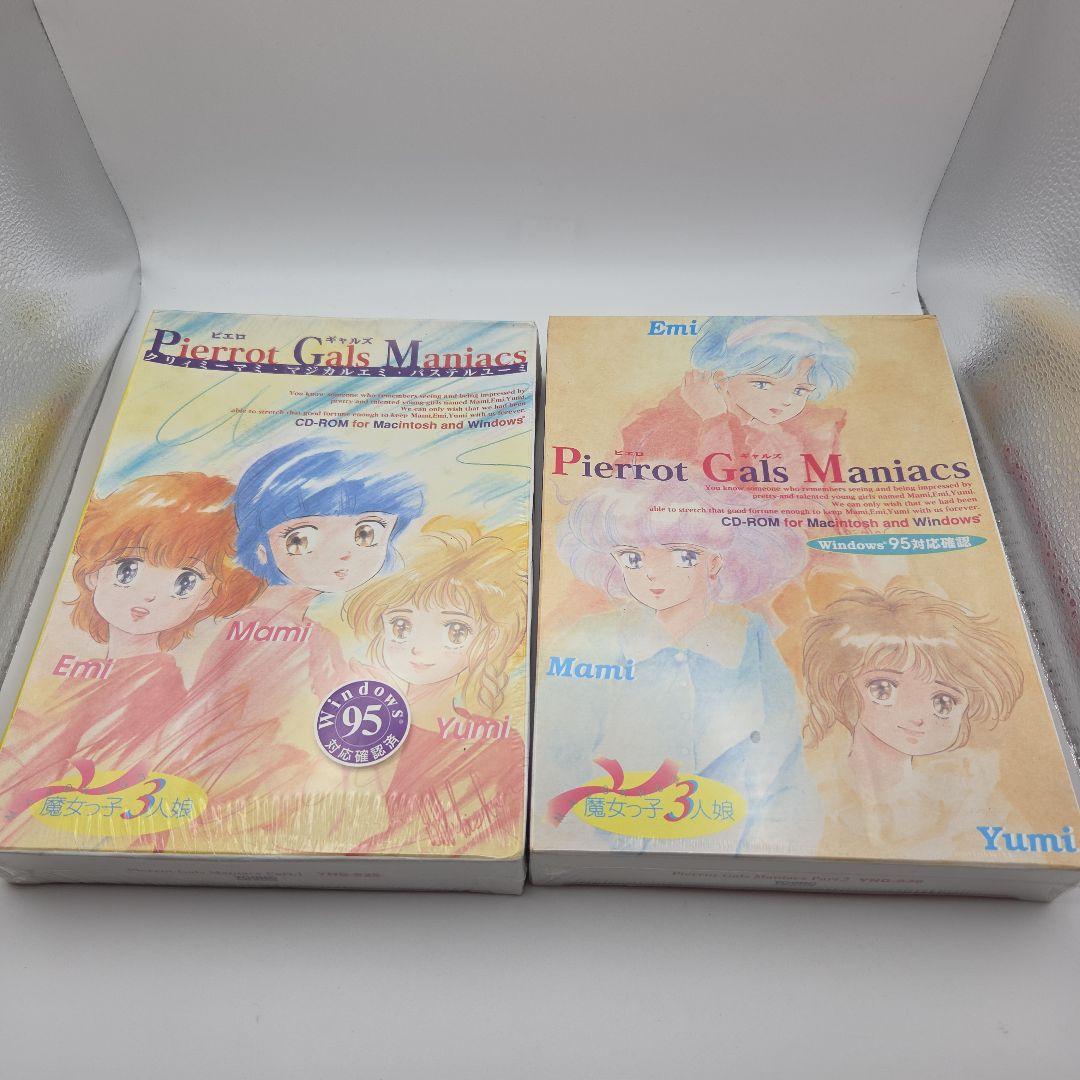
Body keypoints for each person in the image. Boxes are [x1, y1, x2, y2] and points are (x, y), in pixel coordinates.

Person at [542, 481, 820, 853]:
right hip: (609, 851)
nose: (652, 574)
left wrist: (762, 851)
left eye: (682, 555)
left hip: (733, 854)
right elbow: (554, 760)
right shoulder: (591, 638)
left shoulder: (749, 637)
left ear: (715, 562)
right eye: (633, 558)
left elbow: (785, 762)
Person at [0, 472, 260, 834]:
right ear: (94, 571)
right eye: (128, 569)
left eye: (185, 581)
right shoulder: (86, 672)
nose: (149, 595)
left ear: (208, 597)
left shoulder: (153, 683)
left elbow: (102, 779)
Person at [345, 516, 529, 856]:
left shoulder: (497, 744)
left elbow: (495, 836)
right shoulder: (360, 723)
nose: (419, 648)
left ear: (489, 639)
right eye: (401, 625)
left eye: (455, 631)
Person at [802, 585, 1025, 854]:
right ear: (843, 683)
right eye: (883, 689)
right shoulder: (813, 789)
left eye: (943, 702)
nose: (916, 716)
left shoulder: (969, 799)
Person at [621, 316, 855, 466]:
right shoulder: (670, 429)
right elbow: (722, 489)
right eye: (762, 384)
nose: (786, 400)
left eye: (799, 390)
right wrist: (715, 420)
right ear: (721, 377)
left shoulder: (778, 439)